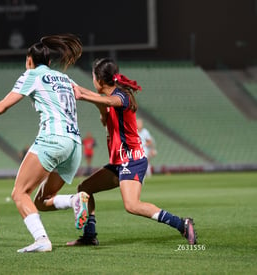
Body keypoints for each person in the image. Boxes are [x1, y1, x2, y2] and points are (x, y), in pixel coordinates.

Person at [0, 34, 89, 253]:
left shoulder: (32, 75)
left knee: (19, 193)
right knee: (42, 200)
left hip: (52, 140)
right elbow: (84, 93)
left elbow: (1, 107)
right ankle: (75, 200)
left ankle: (42, 240)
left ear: (29, 60)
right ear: (49, 61)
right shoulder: (64, 78)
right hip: (74, 144)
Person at [68, 58, 196, 246]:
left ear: (100, 81)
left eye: (93, 77)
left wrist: (84, 96)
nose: (92, 82)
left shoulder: (121, 97)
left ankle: (182, 224)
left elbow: (109, 100)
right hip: (119, 161)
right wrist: (70, 86)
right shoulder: (109, 96)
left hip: (132, 160)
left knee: (132, 205)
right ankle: (89, 236)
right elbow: (98, 98)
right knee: (84, 189)